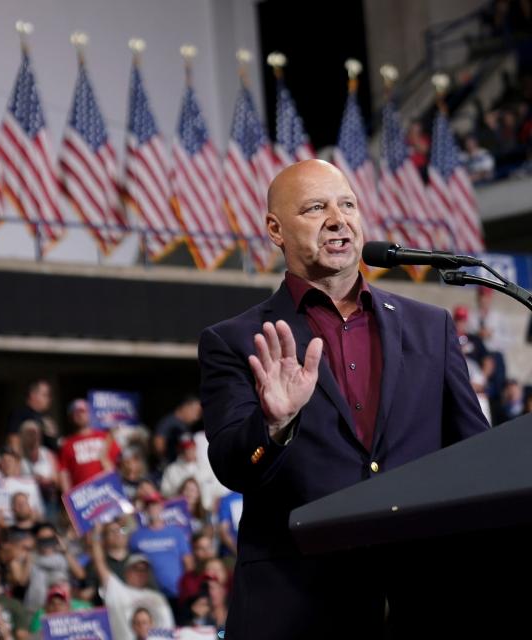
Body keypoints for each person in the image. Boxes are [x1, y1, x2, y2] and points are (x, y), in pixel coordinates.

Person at [198, 160, 488, 638]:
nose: (338, 218)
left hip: (421, 599)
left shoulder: (429, 327)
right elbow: (234, 466)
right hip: (298, 608)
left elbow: (472, 456)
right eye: (316, 208)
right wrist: (275, 425)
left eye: (347, 204)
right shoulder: (236, 340)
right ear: (276, 229)